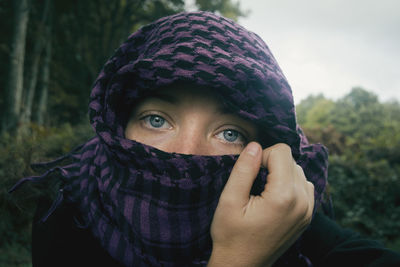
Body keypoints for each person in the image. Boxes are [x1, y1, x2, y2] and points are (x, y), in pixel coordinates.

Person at [12, 11, 400, 266]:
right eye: (157, 120)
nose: (186, 153)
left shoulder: (291, 226)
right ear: (119, 124)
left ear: (267, 154)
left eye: (229, 133)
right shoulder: (67, 208)